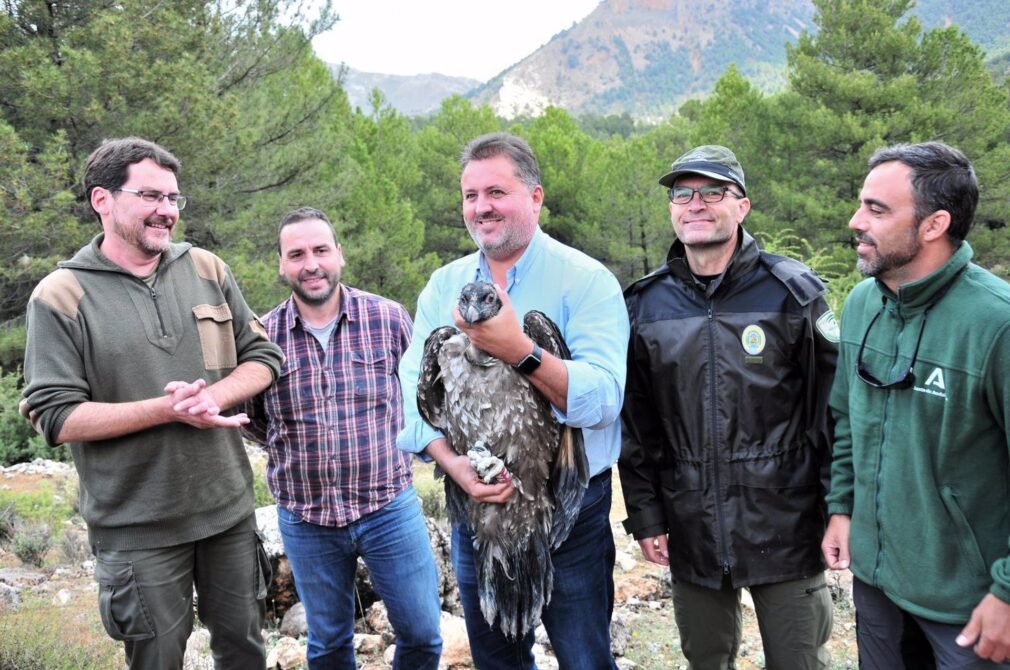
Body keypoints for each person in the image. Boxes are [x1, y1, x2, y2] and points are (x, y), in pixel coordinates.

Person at [19, 137, 284, 669]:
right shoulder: (61, 294)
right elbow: (56, 414)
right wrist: (164, 410)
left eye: (174, 199)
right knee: (157, 660)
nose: (167, 211)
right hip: (136, 527)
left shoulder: (206, 267)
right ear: (103, 199)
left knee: (245, 650)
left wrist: (208, 397)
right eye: (151, 196)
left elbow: (263, 357)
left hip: (226, 511)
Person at [397, 132, 629, 669]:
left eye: (496, 192)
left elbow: (603, 399)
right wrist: (455, 467)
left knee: (584, 658)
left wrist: (519, 350)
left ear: (536, 196)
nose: (481, 207)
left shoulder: (585, 280)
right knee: (497, 660)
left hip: (568, 501)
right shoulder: (444, 285)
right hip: (478, 504)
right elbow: (411, 395)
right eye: (470, 195)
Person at [620, 145, 838, 669]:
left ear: (742, 205)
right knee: (706, 661)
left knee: (801, 661)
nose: (695, 203)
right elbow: (637, 426)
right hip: (690, 524)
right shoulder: (645, 305)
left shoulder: (794, 293)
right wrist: (647, 515)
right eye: (682, 193)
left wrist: (839, 508)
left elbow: (832, 413)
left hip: (786, 524)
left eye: (712, 192)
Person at [822, 141, 1010, 668]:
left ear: (934, 225)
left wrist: (1008, 593)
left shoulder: (996, 325)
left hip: (967, 601)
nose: (856, 221)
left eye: (877, 210)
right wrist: (842, 508)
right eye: (862, 204)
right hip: (878, 578)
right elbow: (846, 418)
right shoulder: (862, 304)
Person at [241, 207, 442, 668]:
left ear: (339, 255)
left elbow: (421, 396)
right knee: (328, 643)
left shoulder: (389, 319)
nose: (310, 263)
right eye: (296, 254)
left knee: (423, 634)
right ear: (281, 265)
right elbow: (252, 418)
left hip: (388, 507)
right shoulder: (262, 337)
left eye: (320, 250)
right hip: (306, 518)